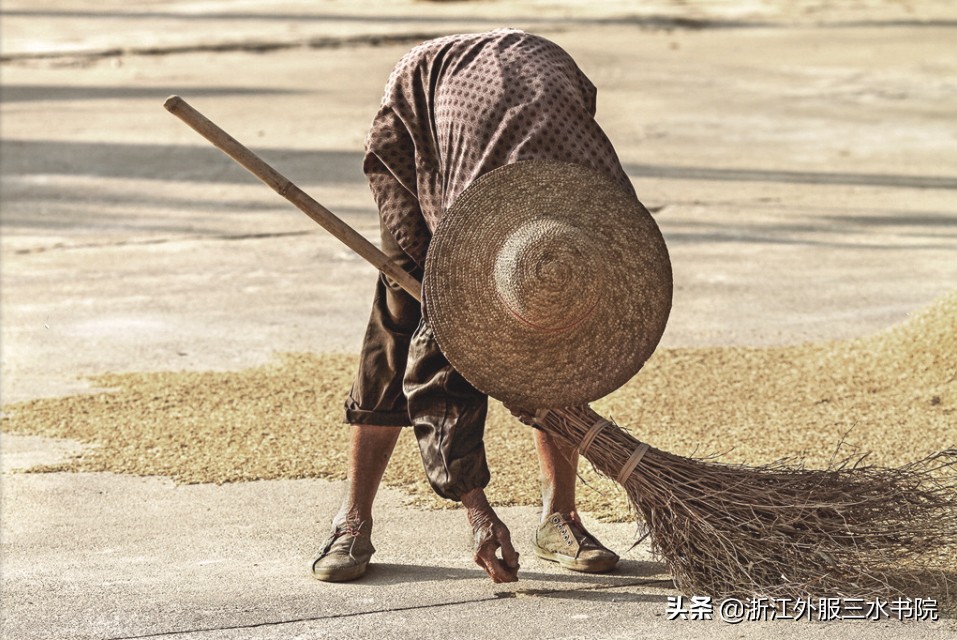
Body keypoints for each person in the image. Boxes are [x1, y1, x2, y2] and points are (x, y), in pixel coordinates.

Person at [312, 29, 640, 584]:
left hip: (542, 86)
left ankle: (560, 519)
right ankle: (353, 520)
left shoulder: (600, 213)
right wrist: (478, 511)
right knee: (398, 332)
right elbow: (436, 377)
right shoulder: (465, 240)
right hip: (425, 122)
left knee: (559, 344)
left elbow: (592, 329)